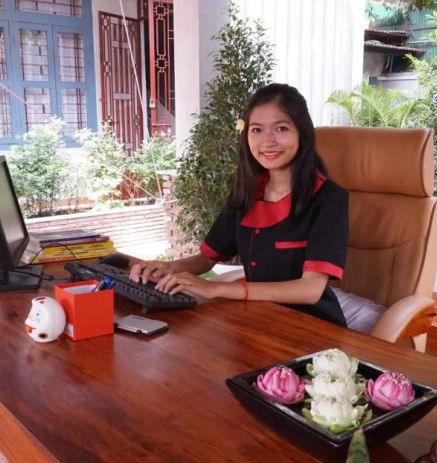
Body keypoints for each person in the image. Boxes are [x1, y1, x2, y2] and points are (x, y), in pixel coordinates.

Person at [129, 83, 350, 327]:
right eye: (257, 130)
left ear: (302, 133)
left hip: (312, 326)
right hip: (257, 318)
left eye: (281, 128)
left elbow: (310, 290)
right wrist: (167, 268)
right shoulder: (247, 191)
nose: (267, 141)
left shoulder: (329, 198)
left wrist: (216, 289)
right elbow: (206, 259)